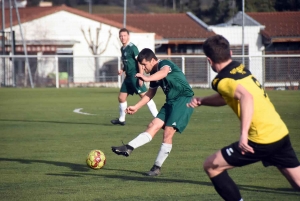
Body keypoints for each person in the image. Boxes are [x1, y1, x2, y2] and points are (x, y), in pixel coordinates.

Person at [187, 35, 300, 201]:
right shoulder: (239, 68)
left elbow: (246, 97)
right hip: (278, 132)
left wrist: (243, 134)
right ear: (230, 53)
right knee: (298, 183)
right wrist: (203, 101)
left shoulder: (222, 80)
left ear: (209, 60)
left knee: (211, 166)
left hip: (260, 140)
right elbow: (230, 96)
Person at [111, 48, 194, 176]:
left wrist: (146, 78)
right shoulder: (154, 74)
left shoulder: (164, 64)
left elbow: (164, 73)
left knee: (168, 132)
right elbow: (151, 93)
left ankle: (157, 167)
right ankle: (128, 147)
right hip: (171, 101)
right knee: (152, 125)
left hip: (184, 100)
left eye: (144, 64)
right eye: (141, 65)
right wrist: (137, 106)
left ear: (153, 60)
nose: (143, 68)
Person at [111, 28, 158, 126]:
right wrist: (122, 70)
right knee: (121, 98)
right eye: (121, 36)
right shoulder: (122, 48)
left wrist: (141, 76)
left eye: (124, 35)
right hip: (128, 77)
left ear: (128, 36)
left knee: (146, 97)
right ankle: (121, 120)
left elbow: (140, 62)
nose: (122, 37)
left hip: (134, 76)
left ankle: (158, 118)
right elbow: (127, 63)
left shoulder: (133, 48)